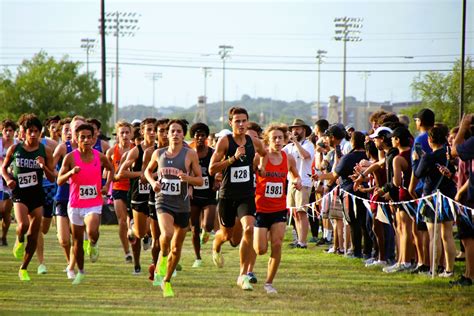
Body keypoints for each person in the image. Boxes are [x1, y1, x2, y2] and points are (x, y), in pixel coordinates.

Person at [209, 107, 267, 291]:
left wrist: (259, 167)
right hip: (227, 196)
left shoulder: (253, 141)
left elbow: (264, 153)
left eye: (244, 121)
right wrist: (233, 159)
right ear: (230, 123)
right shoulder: (224, 142)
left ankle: (243, 275)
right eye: (237, 121)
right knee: (227, 236)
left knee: (249, 229)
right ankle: (216, 247)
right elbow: (212, 169)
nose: (241, 124)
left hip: (246, 195)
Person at [145, 119, 203, 297]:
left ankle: (167, 280)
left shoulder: (190, 154)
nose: (176, 134)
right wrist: (153, 182)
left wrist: (187, 179)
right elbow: (147, 171)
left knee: (177, 249)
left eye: (179, 131)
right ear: (167, 134)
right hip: (163, 202)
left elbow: (200, 180)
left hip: (182, 205)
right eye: (172, 131)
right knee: (167, 234)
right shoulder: (158, 153)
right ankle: (162, 257)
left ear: (183, 134)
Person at [57, 123, 114, 284]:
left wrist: (106, 185)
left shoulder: (99, 156)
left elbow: (111, 169)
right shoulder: (70, 157)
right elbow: (60, 180)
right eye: (83, 137)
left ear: (94, 138)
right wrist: (70, 172)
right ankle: (80, 270)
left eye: (89, 137)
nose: (86, 140)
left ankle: (94, 243)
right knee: (77, 241)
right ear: (76, 138)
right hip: (75, 205)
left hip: (93, 203)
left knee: (92, 230)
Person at [1, 113, 55, 281]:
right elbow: (3, 168)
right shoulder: (15, 149)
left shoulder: (45, 150)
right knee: (23, 225)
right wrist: (9, 179)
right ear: (23, 132)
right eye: (30, 131)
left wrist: (43, 166)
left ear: (40, 133)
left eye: (36, 131)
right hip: (20, 193)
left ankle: (23, 268)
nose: (33, 134)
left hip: (36, 194)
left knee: (34, 234)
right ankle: (18, 239)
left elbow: (53, 177)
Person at [254, 124, 301, 294]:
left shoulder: (288, 158)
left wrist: (297, 181)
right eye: (274, 138)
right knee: (260, 249)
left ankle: (269, 283)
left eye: (281, 137)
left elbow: (295, 175)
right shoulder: (261, 156)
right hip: (260, 208)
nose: (278, 140)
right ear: (267, 140)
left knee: (277, 244)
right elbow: (253, 172)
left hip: (279, 208)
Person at [414, 125, 457, 277]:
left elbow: (418, 173)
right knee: (448, 235)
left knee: (434, 235)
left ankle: (434, 268)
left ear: (430, 139)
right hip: (448, 196)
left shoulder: (429, 157)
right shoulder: (448, 155)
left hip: (432, 197)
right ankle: (449, 269)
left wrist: (416, 160)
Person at [117, 118, 157, 275]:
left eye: (155, 129)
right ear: (142, 132)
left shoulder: (162, 150)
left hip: (155, 196)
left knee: (155, 231)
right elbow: (121, 173)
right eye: (149, 130)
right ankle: (137, 263)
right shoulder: (136, 151)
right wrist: (141, 174)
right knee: (139, 233)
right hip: (138, 196)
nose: (152, 133)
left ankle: (157, 263)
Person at [143, 118, 169, 283]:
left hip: (177, 200)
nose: (165, 135)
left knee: (170, 237)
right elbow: (144, 176)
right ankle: (155, 264)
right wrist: (156, 179)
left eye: (168, 131)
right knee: (158, 237)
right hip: (156, 198)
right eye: (161, 131)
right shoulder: (152, 152)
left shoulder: (184, 151)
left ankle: (164, 266)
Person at [450, 113, 474, 286]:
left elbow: (454, 149)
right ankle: (467, 273)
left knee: (468, 238)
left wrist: (463, 125)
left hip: (470, 198)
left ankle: (470, 275)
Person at [189, 123, 217, 268]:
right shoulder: (189, 152)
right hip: (194, 195)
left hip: (209, 194)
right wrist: (188, 186)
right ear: (193, 137)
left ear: (206, 137)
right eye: (197, 135)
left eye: (202, 135)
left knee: (208, 224)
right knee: (194, 228)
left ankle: (206, 232)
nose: (200, 138)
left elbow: (218, 169)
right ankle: (198, 258)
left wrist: (217, 181)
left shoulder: (212, 153)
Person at [283, 119, 314, 249]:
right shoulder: (288, 147)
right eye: (293, 129)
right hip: (292, 182)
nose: (295, 131)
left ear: (304, 130)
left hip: (305, 182)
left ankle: (303, 241)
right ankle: (299, 239)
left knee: (302, 212)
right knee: (294, 212)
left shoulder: (308, 144)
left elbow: (305, 156)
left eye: (298, 128)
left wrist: (295, 142)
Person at [106, 120, 133, 263]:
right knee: (122, 221)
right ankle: (127, 252)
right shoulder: (112, 152)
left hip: (133, 189)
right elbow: (108, 171)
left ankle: (133, 233)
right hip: (118, 189)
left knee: (132, 221)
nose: (124, 135)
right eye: (122, 133)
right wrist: (106, 183)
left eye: (127, 132)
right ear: (117, 135)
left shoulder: (135, 150)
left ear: (131, 134)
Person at [0, 119, 18, 246]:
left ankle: (4, 236)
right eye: (5, 130)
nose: (8, 133)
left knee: (6, 211)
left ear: (14, 132)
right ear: (2, 131)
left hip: (11, 182)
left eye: (10, 130)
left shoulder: (18, 145)